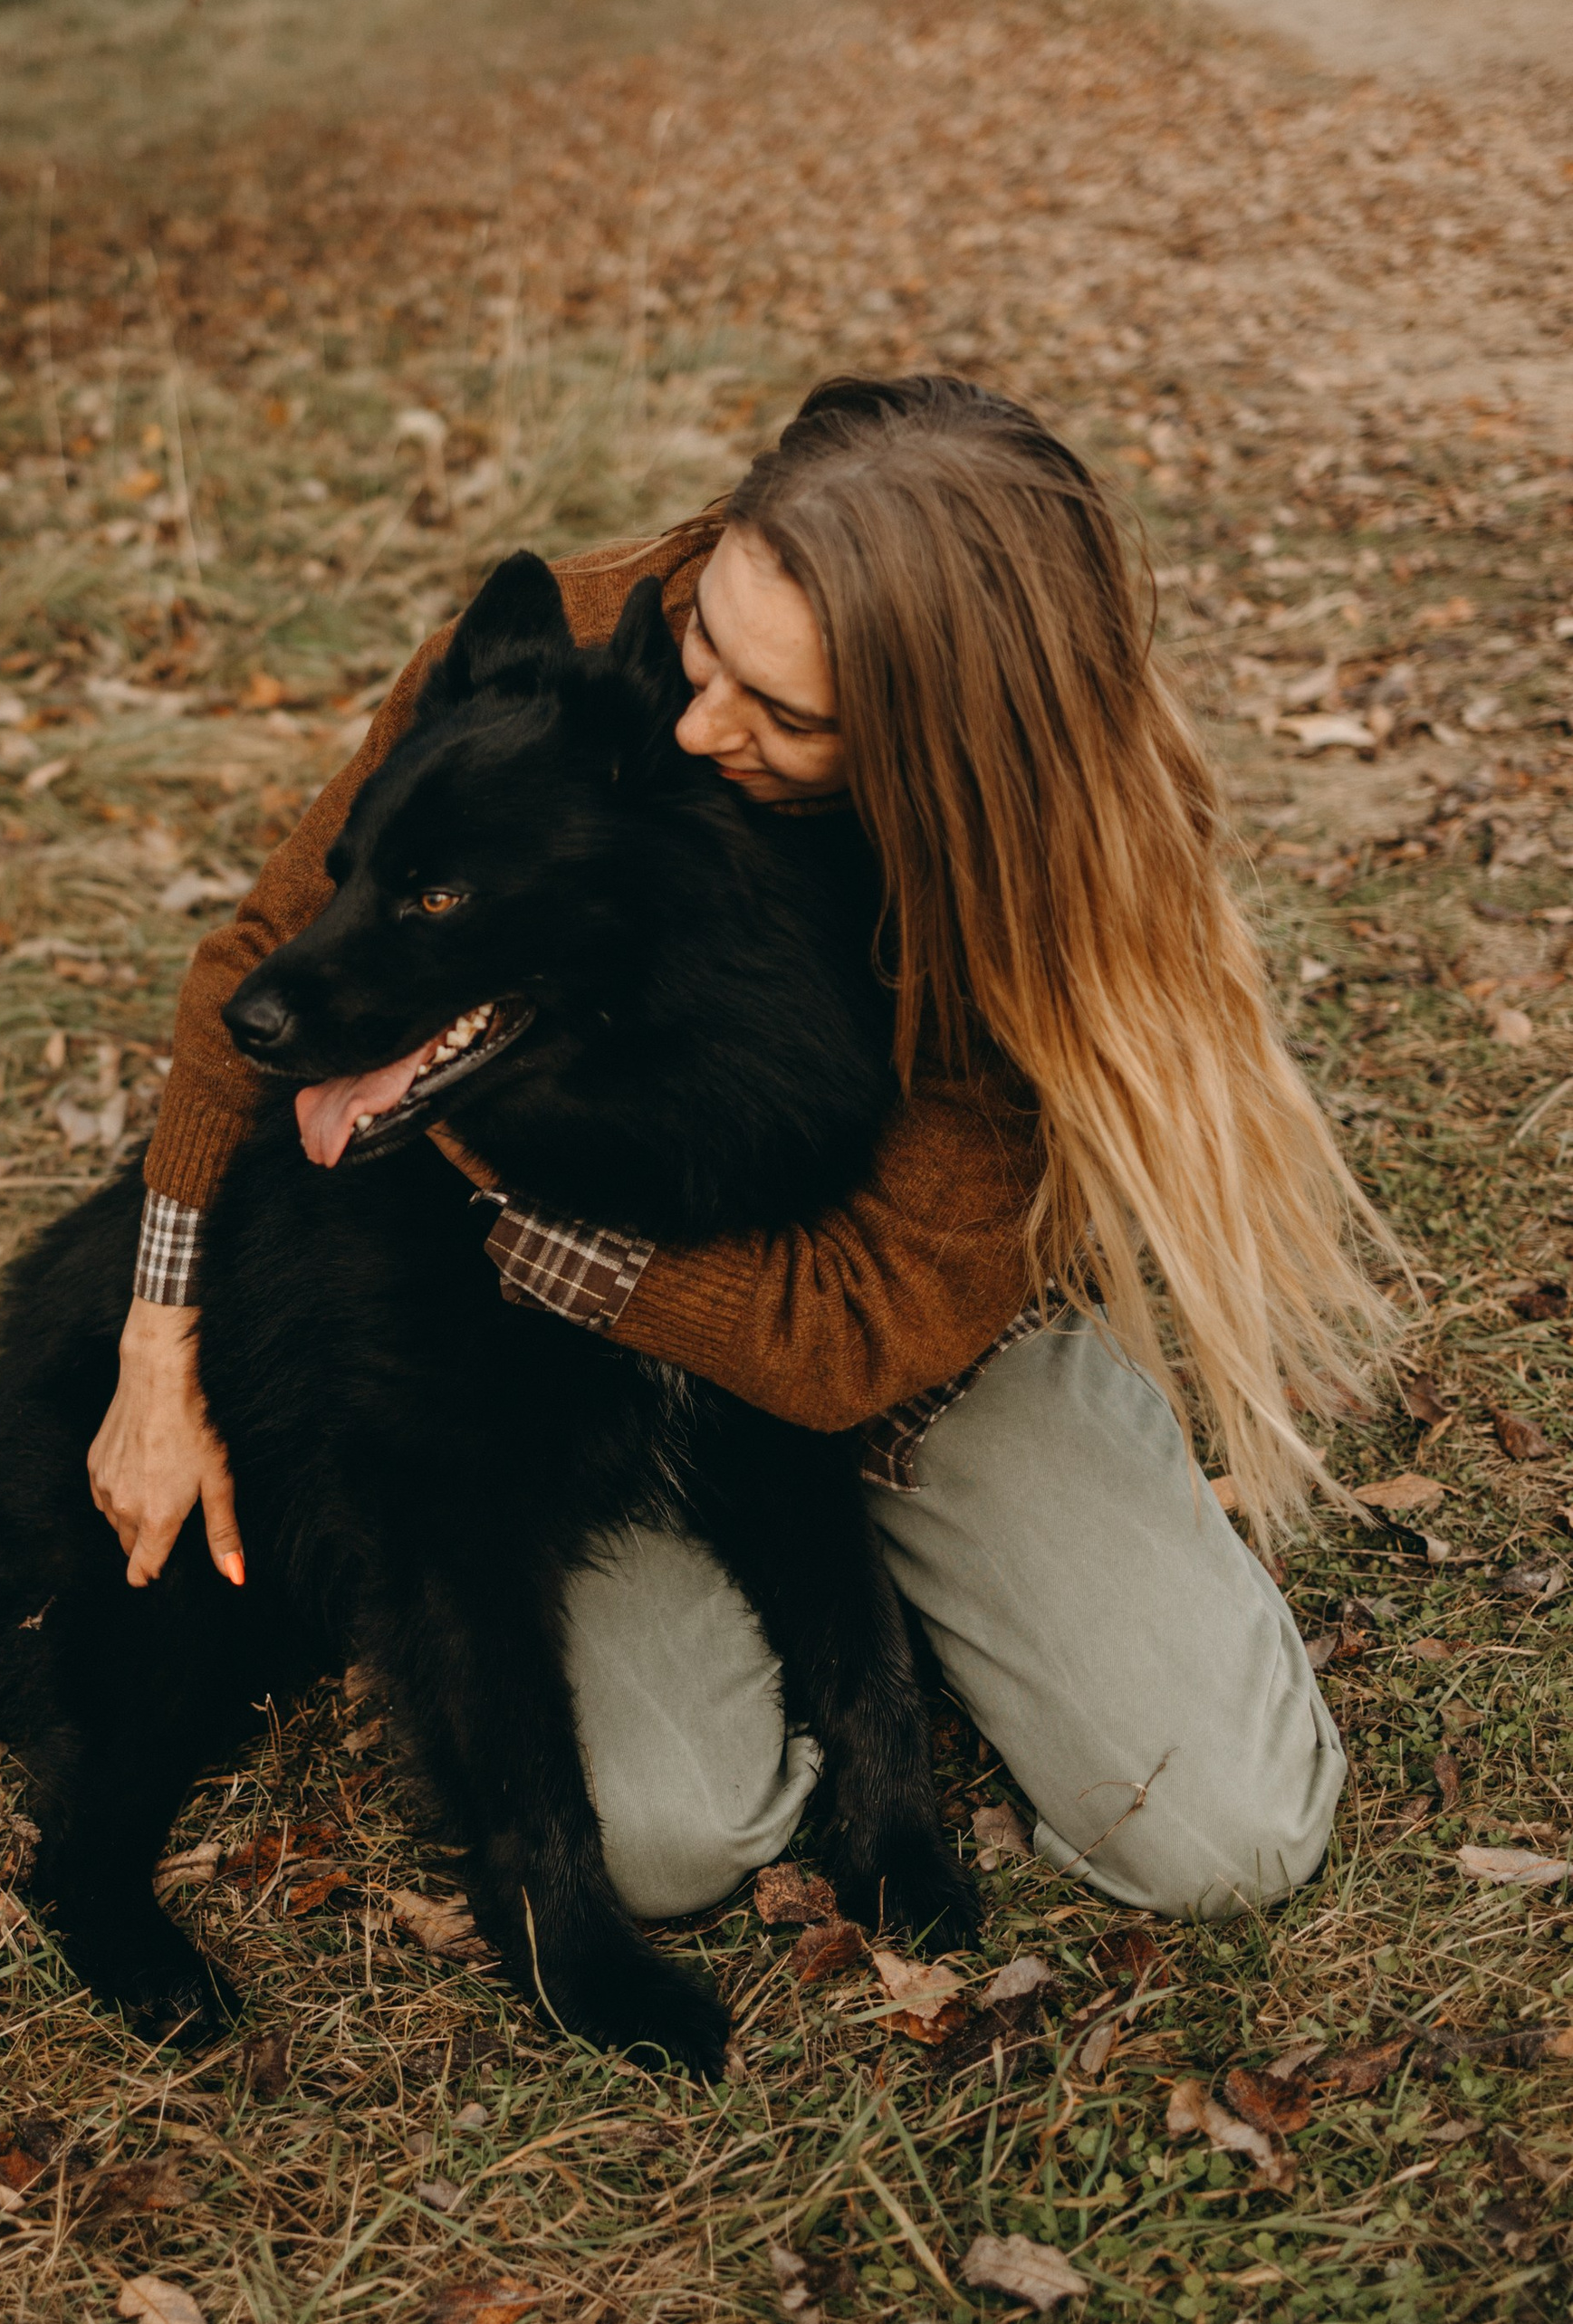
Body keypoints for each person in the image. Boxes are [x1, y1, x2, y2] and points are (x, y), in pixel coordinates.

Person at [87, 375, 1393, 1925]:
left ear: (935, 744)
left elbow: (852, 1339)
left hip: (910, 1343)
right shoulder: (564, 651)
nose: (701, 726)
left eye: (785, 716)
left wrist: (498, 1193)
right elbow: (267, 938)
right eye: (709, 638)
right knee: (671, 1838)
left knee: (1226, 1840)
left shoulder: (1038, 872)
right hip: (598, 1333)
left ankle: (991, 1543)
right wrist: (157, 1345)